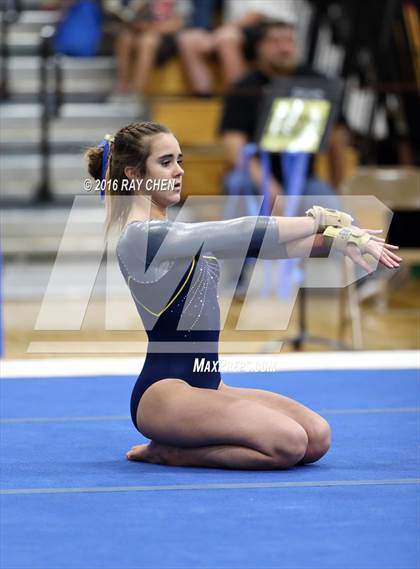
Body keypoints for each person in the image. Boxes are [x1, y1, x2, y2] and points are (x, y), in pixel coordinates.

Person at [85, 121, 401, 470]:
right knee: (288, 443)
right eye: (166, 162)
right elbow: (241, 230)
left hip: (209, 385)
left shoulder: (176, 234)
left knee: (316, 436)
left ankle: (177, 446)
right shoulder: (139, 238)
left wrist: (341, 241)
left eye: (180, 160)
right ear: (132, 173)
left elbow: (269, 247)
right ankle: (171, 453)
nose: (179, 171)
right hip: (164, 394)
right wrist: (321, 220)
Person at [219, 19, 349, 207]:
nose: (284, 48)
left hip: (305, 180)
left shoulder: (317, 82)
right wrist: (266, 183)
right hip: (254, 176)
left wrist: (339, 187)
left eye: (289, 41)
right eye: (275, 42)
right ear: (258, 47)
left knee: (336, 211)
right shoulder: (244, 88)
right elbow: (233, 146)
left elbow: (338, 135)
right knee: (236, 184)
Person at [177, 0, 290, 94]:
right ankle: (204, 100)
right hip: (235, 30)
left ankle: (239, 97)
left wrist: (218, 34)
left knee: (226, 39)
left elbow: (256, 15)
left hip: (273, 25)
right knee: (188, 39)